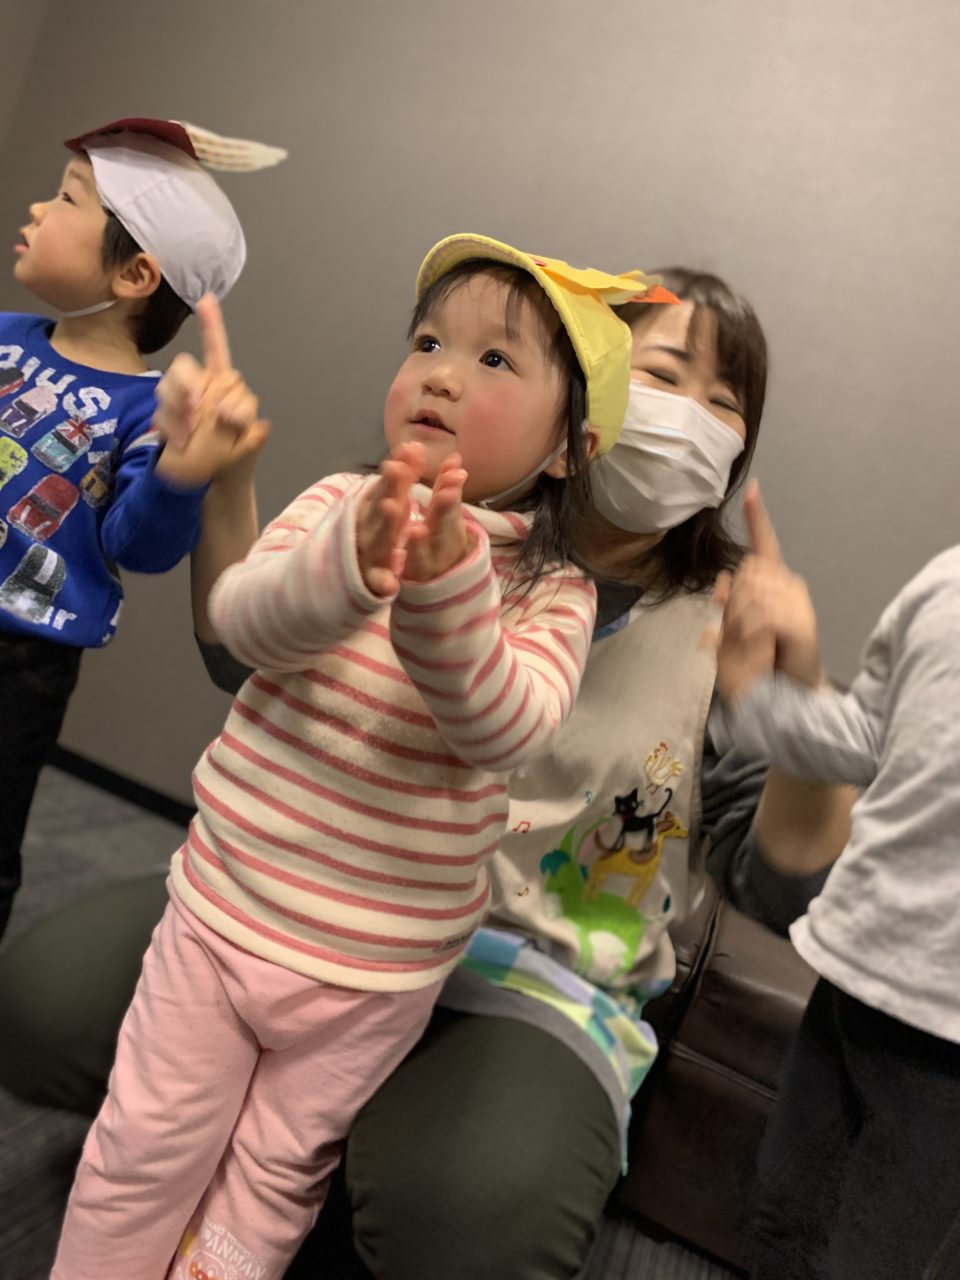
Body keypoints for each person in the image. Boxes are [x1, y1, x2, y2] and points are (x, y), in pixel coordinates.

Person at [0, 266, 854, 1280]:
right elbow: (244, 646)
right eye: (665, 375)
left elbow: (776, 881)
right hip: (295, 889)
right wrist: (232, 483)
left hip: (512, 962)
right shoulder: (376, 506)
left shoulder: (704, 616)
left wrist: (797, 704)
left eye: (725, 403)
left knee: (442, 1202)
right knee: (48, 1008)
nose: (692, 418)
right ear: (592, 393)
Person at [0, 116, 283, 938]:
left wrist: (182, 473)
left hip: (21, 660)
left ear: (134, 273)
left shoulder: (153, 410)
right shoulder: (6, 336)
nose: (37, 210)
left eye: (66, 200)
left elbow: (142, 548)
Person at [714, 535, 960, 1279]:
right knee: (782, 1211)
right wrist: (757, 702)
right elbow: (861, 737)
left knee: (872, 1257)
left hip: (947, 1038)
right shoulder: (945, 581)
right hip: (853, 966)